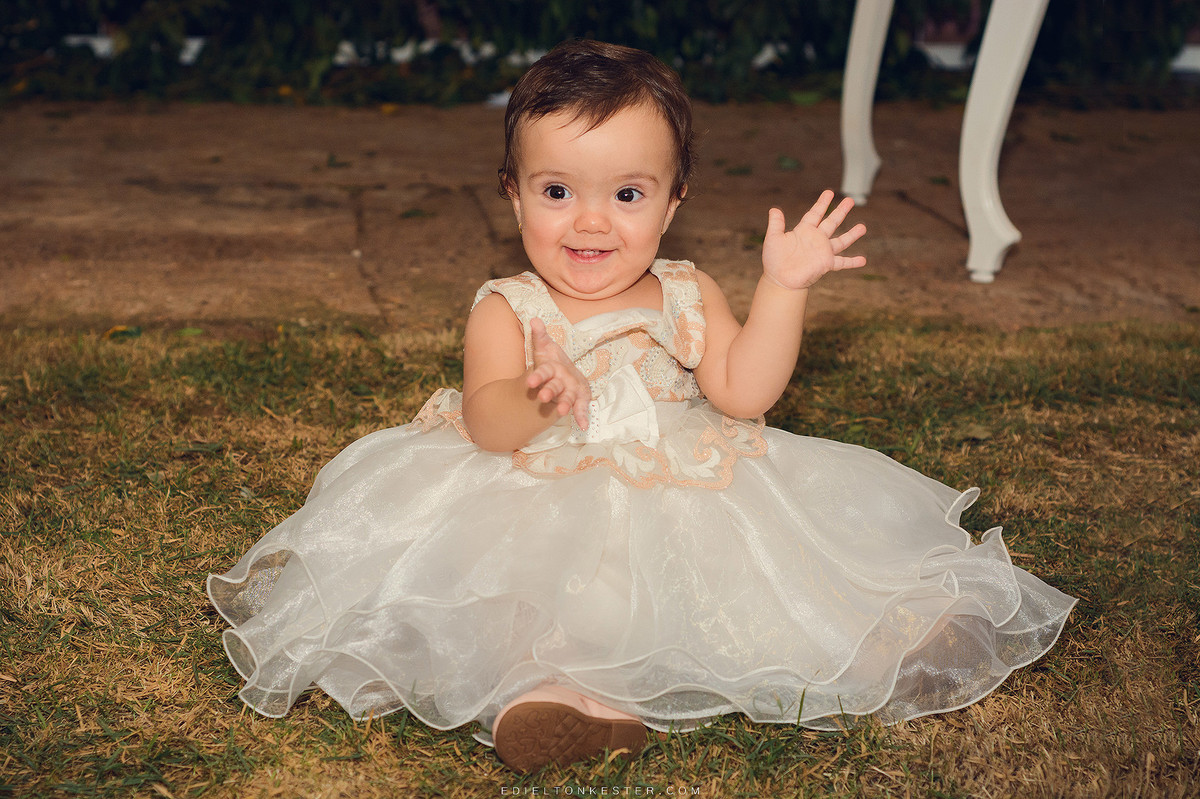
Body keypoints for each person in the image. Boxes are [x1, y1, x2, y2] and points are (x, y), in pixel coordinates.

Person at [207, 39, 1076, 774]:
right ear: (513, 194)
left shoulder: (685, 294)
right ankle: (560, 698)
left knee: (741, 578)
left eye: (626, 194)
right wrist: (539, 395)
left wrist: (781, 289)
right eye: (557, 193)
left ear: (673, 201)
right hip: (534, 472)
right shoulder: (508, 308)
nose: (590, 223)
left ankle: (878, 634)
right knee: (542, 587)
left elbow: (742, 389)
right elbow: (487, 423)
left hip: (680, 474)